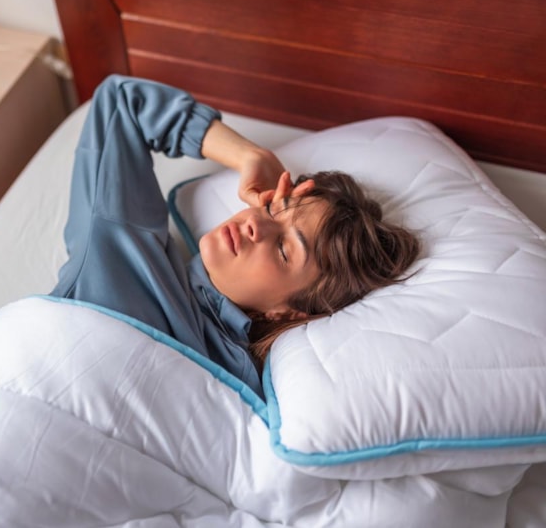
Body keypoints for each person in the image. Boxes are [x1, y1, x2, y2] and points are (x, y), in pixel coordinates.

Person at [50, 75, 419, 399]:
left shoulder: (254, 393)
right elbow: (123, 101)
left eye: (283, 249)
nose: (256, 225)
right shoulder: (120, 248)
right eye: (273, 210)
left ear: (289, 311)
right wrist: (249, 156)